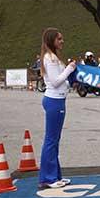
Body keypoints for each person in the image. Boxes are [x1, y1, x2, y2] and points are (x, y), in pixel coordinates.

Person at [38, 28, 76, 189]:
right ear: (51, 40)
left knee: (54, 140)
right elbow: (55, 81)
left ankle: (55, 175)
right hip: (54, 101)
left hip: (58, 100)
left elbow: (62, 82)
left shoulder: (53, 58)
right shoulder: (50, 59)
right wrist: (70, 69)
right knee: (51, 140)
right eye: (59, 39)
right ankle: (48, 178)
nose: (62, 41)